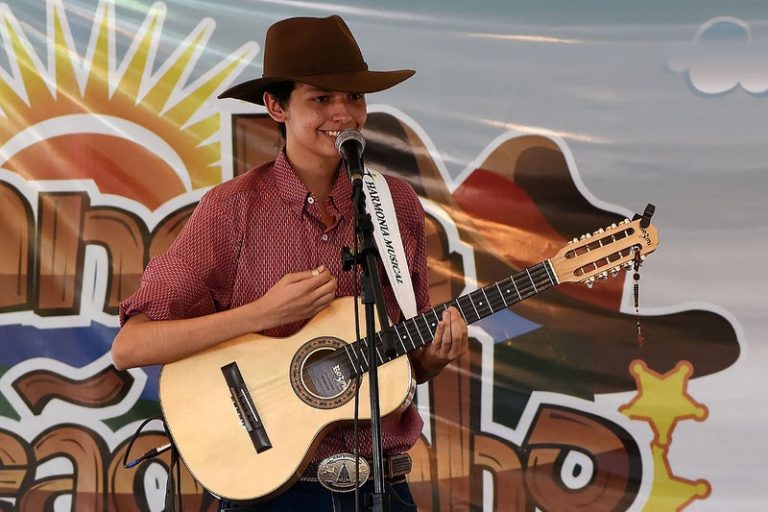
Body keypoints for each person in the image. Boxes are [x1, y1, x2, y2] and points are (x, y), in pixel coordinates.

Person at [112, 14, 468, 511]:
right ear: (276, 106)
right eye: (321, 99)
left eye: (354, 96)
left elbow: (399, 365)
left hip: (384, 486)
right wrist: (262, 314)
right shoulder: (232, 209)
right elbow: (130, 347)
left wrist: (430, 360)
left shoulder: (396, 205)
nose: (343, 113)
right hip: (274, 493)